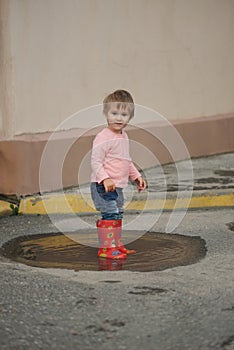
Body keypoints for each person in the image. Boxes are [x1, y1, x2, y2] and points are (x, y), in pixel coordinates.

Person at [90, 89, 147, 259]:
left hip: (118, 186)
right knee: (110, 213)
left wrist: (136, 176)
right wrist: (105, 178)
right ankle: (106, 248)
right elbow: (95, 161)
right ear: (105, 113)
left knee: (118, 213)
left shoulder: (124, 136)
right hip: (103, 186)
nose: (118, 118)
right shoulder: (103, 137)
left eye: (124, 114)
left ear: (130, 117)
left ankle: (116, 244)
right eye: (114, 113)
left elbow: (126, 161)